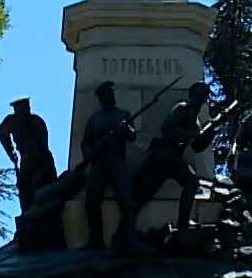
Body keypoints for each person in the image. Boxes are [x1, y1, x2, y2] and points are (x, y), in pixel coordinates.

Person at [131, 81, 234, 231]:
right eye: (200, 94)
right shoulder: (183, 108)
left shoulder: (196, 120)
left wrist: (211, 131)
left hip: (173, 159)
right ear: (192, 95)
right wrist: (193, 134)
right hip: (163, 156)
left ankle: (183, 224)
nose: (203, 97)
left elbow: (197, 147)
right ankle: (124, 234)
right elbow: (168, 129)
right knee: (141, 197)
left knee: (191, 182)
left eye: (205, 95)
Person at [80, 81, 137, 248]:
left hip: (117, 162)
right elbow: (85, 142)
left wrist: (127, 130)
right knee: (91, 203)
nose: (110, 97)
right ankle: (96, 241)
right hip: (99, 164)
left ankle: (128, 238)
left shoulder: (123, 115)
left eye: (111, 94)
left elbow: (132, 136)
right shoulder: (95, 119)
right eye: (106, 95)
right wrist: (89, 153)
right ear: (101, 98)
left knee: (127, 202)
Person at [0, 97, 57, 212]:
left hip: (41, 158)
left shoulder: (36, 120)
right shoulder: (12, 121)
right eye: (21, 108)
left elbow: (43, 143)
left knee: (41, 186)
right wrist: (11, 152)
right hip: (27, 159)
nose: (25, 110)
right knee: (26, 191)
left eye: (26, 107)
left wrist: (13, 152)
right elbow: (1, 132)